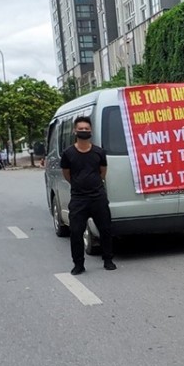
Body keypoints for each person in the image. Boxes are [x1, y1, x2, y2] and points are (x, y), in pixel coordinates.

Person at [61, 116, 115, 274]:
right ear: (74, 131)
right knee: (76, 232)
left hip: (98, 196)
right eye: (81, 129)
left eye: (86, 129)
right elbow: (67, 174)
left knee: (105, 229)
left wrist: (94, 183)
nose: (83, 131)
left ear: (90, 131)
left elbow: (102, 172)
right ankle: (78, 264)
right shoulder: (68, 153)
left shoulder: (99, 152)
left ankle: (108, 260)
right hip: (78, 198)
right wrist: (79, 184)